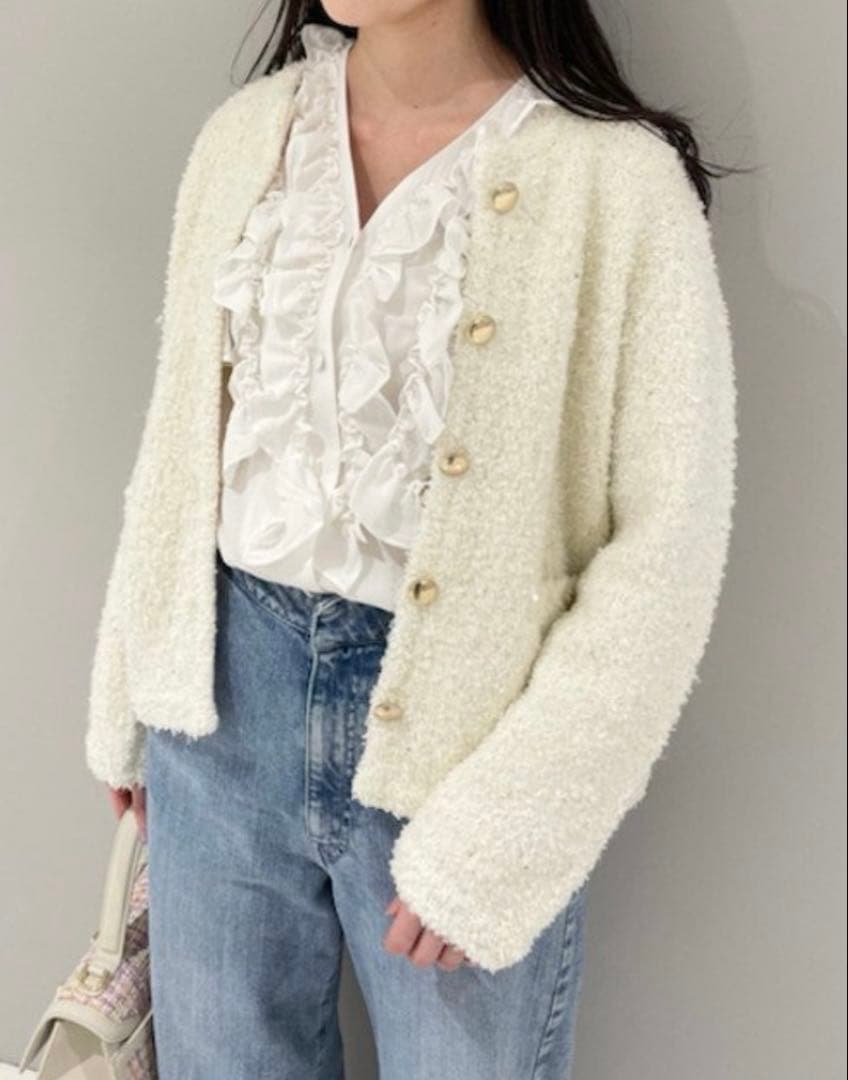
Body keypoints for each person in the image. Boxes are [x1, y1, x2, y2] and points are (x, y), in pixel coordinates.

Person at [86, 2, 740, 1076]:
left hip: (463, 753)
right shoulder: (246, 138)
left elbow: (667, 549)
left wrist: (512, 827)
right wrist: (132, 692)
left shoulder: (613, 182)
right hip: (218, 719)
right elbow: (180, 443)